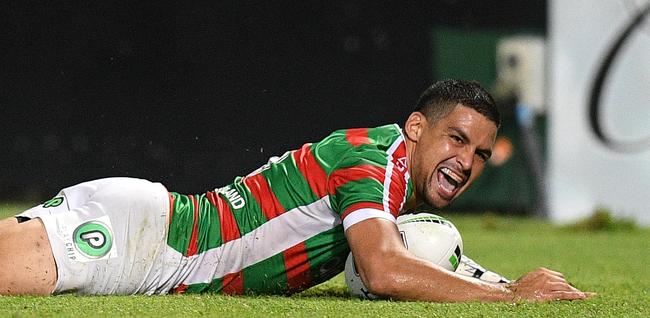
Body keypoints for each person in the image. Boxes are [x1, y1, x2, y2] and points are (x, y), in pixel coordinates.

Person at [0, 79, 590, 301]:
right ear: (416, 128)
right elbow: (384, 269)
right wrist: (511, 301)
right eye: (456, 139)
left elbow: (416, 254)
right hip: (145, 246)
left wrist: (510, 282)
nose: (466, 161)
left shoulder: (385, 168)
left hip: (148, 233)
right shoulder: (376, 162)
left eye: (481, 153)